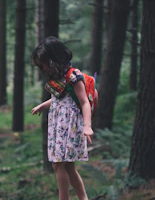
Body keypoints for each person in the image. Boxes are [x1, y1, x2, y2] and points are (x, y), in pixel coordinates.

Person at [31, 36, 94, 200]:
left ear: (55, 59)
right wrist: (42, 106)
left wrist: (87, 126)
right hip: (59, 126)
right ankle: (83, 198)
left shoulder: (73, 76)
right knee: (67, 166)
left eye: (44, 63)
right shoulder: (58, 79)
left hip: (70, 126)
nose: (43, 67)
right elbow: (58, 100)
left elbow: (84, 102)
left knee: (58, 165)